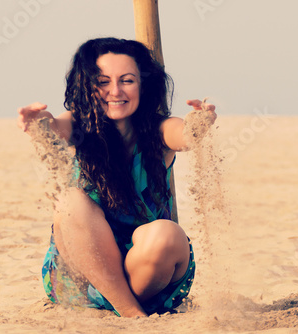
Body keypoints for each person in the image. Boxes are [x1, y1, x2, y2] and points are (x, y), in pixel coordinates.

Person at [17, 37, 216, 317]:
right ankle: (131, 313)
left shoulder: (158, 131)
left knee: (168, 235)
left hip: (147, 274)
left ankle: (128, 303)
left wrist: (198, 124)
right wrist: (38, 123)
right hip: (83, 275)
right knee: (70, 202)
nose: (115, 91)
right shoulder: (77, 126)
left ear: (142, 85)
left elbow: (182, 134)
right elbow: (54, 128)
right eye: (103, 81)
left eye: (127, 80)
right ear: (87, 86)